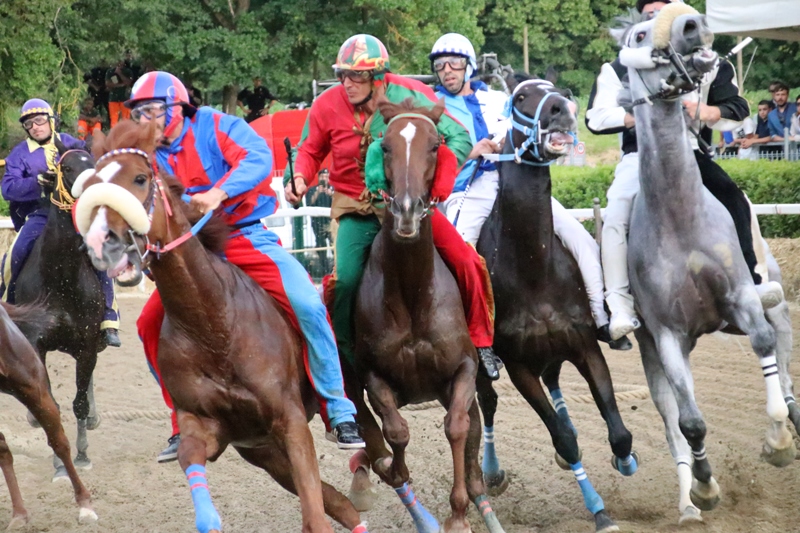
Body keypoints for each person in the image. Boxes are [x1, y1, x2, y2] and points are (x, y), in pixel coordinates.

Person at [127, 71, 364, 463]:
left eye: (153, 110)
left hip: (242, 236)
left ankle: (337, 408)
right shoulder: (144, 155)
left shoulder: (217, 126)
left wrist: (218, 193)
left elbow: (258, 158)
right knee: (147, 324)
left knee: (306, 302)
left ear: (177, 108)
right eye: (138, 113)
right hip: (190, 253)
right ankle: (179, 421)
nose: (145, 120)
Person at [285, 34, 502, 380]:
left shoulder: (410, 94)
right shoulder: (326, 104)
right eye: (343, 75)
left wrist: (437, 178)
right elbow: (308, 150)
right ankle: (344, 360)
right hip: (356, 208)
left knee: (465, 259)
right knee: (344, 282)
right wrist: (297, 179)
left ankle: (481, 343)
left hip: (414, 206)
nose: (347, 83)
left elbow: (458, 137)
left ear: (377, 76)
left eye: (356, 76)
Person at [585, 0, 784, 340]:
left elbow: (739, 110)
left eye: (665, 16)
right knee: (616, 213)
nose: (658, 23)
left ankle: (752, 282)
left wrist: (702, 111)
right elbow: (595, 118)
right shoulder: (619, 66)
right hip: (641, 156)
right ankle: (619, 304)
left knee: (737, 200)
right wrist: (641, 114)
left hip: (691, 153)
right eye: (651, 16)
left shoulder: (709, 63)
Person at [429, 33, 629, 350]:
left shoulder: (500, 99)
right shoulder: (433, 108)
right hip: (466, 189)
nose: (447, 70)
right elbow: (432, 160)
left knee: (580, 239)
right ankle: (473, 339)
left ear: (468, 66)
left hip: (515, 183)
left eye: (454, 63)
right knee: (460, 256)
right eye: (440, 66)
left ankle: (601, 317)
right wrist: (473, 152)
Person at [0, 99, 120, 346]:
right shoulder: (19, 154)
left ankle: (109, 315)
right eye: (29, 124)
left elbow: (92, 171)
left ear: (51, 120)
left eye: (40, 120)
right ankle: (11, 311)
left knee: (100, 249)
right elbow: (8, 188)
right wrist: (37, 183)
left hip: (77, 214)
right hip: (41, 214)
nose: (35, 126)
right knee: (16, 252)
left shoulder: (72, 144)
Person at [307, 169, 334, 274]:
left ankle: (335, 268)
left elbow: (339, 202)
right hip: (318, 224)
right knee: (321, 246)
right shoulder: (313, 190)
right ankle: (325, 270)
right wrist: (318, 192)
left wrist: (331, 194)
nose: (324, 179)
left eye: (326, 176)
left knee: (334, 245)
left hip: (331, 223)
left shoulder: (333, 189)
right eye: (322, 176)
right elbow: (310, 202)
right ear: (318, 178)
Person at [106, 59, 133, 127]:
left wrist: (119, 73)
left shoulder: (127, 71)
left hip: (125, 99)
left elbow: (128, 82)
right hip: (113, 99)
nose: (119, 63)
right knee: (114, 120)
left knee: (125, 119)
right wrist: (120, 85)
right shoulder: (110, 71)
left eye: (121, 61)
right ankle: (114, 135)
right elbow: (108, 84)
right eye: (118, 60)